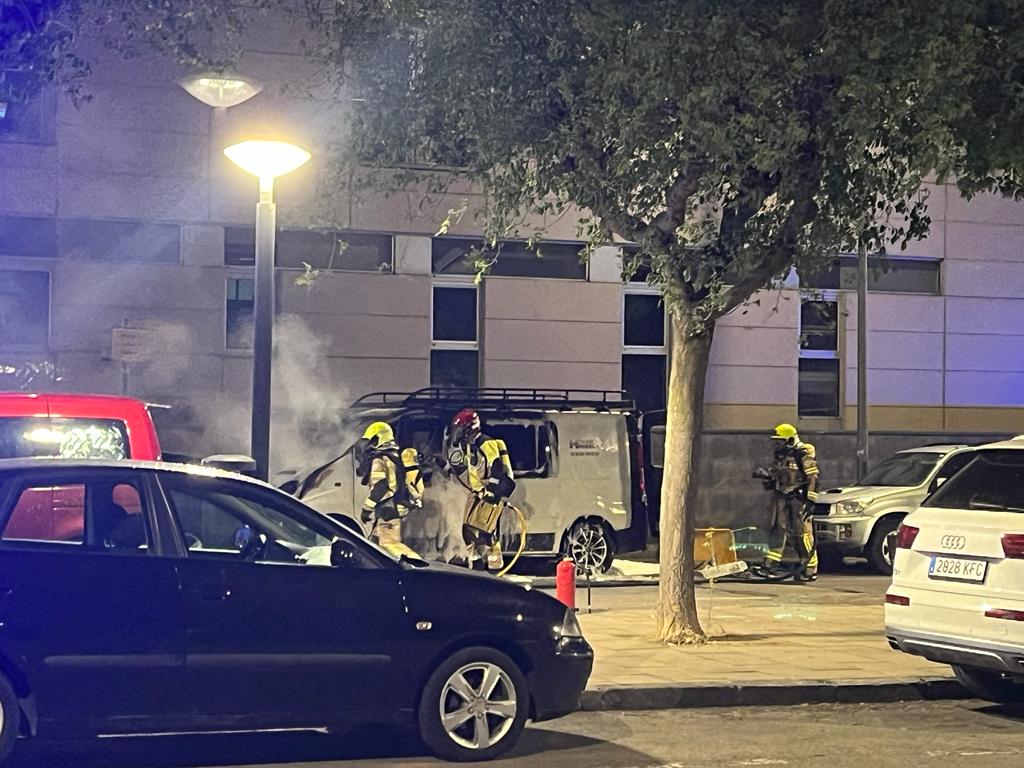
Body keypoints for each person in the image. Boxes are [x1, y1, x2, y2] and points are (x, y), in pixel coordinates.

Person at [447, 408, 516, 571]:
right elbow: (468, 470)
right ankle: (476, 564)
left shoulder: (486, 442)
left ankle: (495, 568)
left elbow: (496, 467)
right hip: (478, 493)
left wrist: (491, 492)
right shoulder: (472, 446)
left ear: (468, 428)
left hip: (490, 494)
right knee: (468, 530)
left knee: (484, 533)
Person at [756, 423, 820, 581]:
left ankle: (809, 569)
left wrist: (811, 500)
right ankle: (769, 565)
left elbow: (813, 478)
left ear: (790, 440)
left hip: (798, 500)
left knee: (801, 534)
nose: (777, 445)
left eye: (780, 441)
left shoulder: (802, 456)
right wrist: (766, 478)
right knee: (778, 531)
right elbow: (779, 480)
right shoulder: (781, 458)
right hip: (783, 499)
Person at [356, 421, 423, 558]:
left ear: (378, 439)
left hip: (388, 509)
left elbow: (380, 488)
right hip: (395, 507)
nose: (369, 446)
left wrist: (366, 509)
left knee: (391, 546)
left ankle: (415, 567)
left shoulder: (379, 460)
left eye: (372, 441)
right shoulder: (395, 456)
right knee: (375, 545)